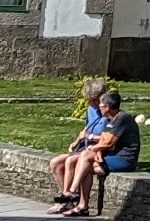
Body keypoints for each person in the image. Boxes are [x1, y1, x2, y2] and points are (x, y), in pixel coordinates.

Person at [50, 82, 119, 213]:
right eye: (89, 100)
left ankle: (67, 199)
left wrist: (90, 136)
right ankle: (66, 197)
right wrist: (77, 140)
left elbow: (108, 138)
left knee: (70, 161)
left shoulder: (110, 114)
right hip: (85, 146)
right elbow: (87, 129)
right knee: (55, 163)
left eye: (94, 100)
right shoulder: (91, 110)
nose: (92, 103)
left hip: (96, 149)